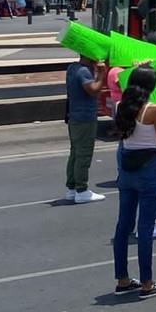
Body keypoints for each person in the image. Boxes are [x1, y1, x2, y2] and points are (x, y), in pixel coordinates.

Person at [110, 64, 156, 299]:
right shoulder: (155, 110)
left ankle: (123, 279)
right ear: (152, 86)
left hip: (127, 168)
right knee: (145, 227)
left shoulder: (120, 106)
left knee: (123, 225)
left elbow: (122, 134)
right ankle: (148, 283)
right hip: (149, 169)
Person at [65, 53, 107, 204]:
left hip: (74, 117)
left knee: (75, 153)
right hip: (85, 119)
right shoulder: (83, 71)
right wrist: (101, 74)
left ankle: (72, 188)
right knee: (84, 154)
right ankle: (82, 190)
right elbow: (93, 90)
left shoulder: (72, 68)